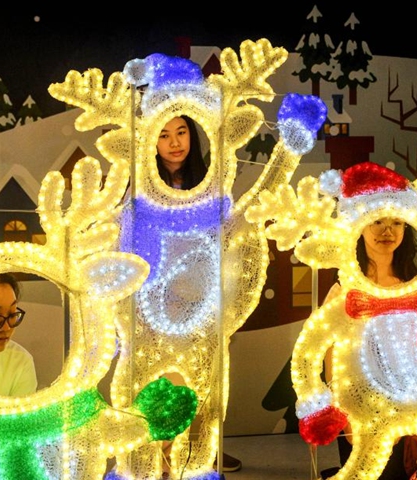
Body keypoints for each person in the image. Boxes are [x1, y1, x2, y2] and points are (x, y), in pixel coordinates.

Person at [155, 114, 242, 474]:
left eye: (181, 132)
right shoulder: (141, 188)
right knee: (167, 387)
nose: (175, 143)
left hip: (206, 302)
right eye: (164, 135)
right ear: (151, 141)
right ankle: (162, 455)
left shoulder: (212, 185)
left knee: (207, 385)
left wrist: (228, 304)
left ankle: (201, 454)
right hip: (161, 305)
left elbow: (229, 240)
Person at [320, 217, 417, 480]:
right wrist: (338, 404)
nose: (387, 231)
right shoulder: (345, 288)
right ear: (361, 228)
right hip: (357, 405)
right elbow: (329, 350)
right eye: (377, 221)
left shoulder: (414, 285)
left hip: (404, 404)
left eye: (397, 223)